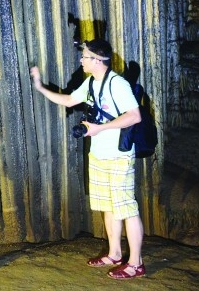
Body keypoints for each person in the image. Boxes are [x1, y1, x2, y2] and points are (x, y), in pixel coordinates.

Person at [29, 39, 145, 279]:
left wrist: (100, 128)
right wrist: (40, 88)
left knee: (126, 207)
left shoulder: (117, 84)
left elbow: (134, 116)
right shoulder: (91, 82)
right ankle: (114, 253)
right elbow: (69, 100)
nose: (81, 60)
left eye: (85, 56)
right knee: (108, 205)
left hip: (119, 154)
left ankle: (136, 262)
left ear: (97, 60)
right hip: (99, 153)